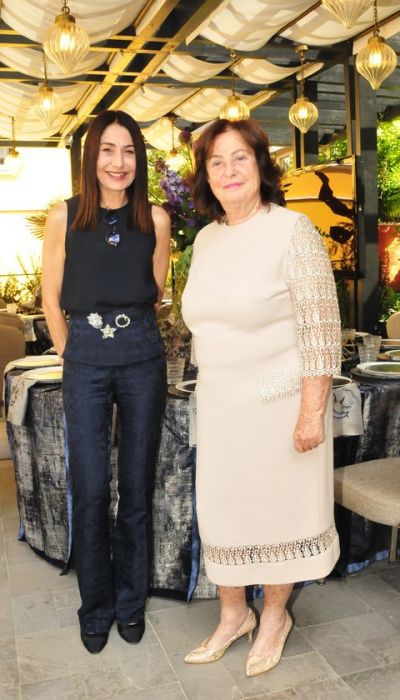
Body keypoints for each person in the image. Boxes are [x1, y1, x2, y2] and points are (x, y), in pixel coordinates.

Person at [181, 118, 341, 677]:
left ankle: (274, 616)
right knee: (224, 513)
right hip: (220, 408)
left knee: (278, 515)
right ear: (205, 175)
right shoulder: (205, 239)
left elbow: (321, 331)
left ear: (260, 166)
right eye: (216, 162)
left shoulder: (293, 231)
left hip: (280, 407)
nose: (228, 171)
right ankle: (233, 616)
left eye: (240, 158)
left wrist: (311, 413)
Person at [42, 110, 170, 654]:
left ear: (139, 159)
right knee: (92, 489)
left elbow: (155, 292)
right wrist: (71, 350)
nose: (119, 162)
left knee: (137, 488)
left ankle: (130, 603)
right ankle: (95, 608)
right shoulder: (64, 216)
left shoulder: (156, 219)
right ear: (91, 157)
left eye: (129, 151)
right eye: (108, 151)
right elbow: (51, 298)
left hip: (143, 357)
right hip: (85, 361)